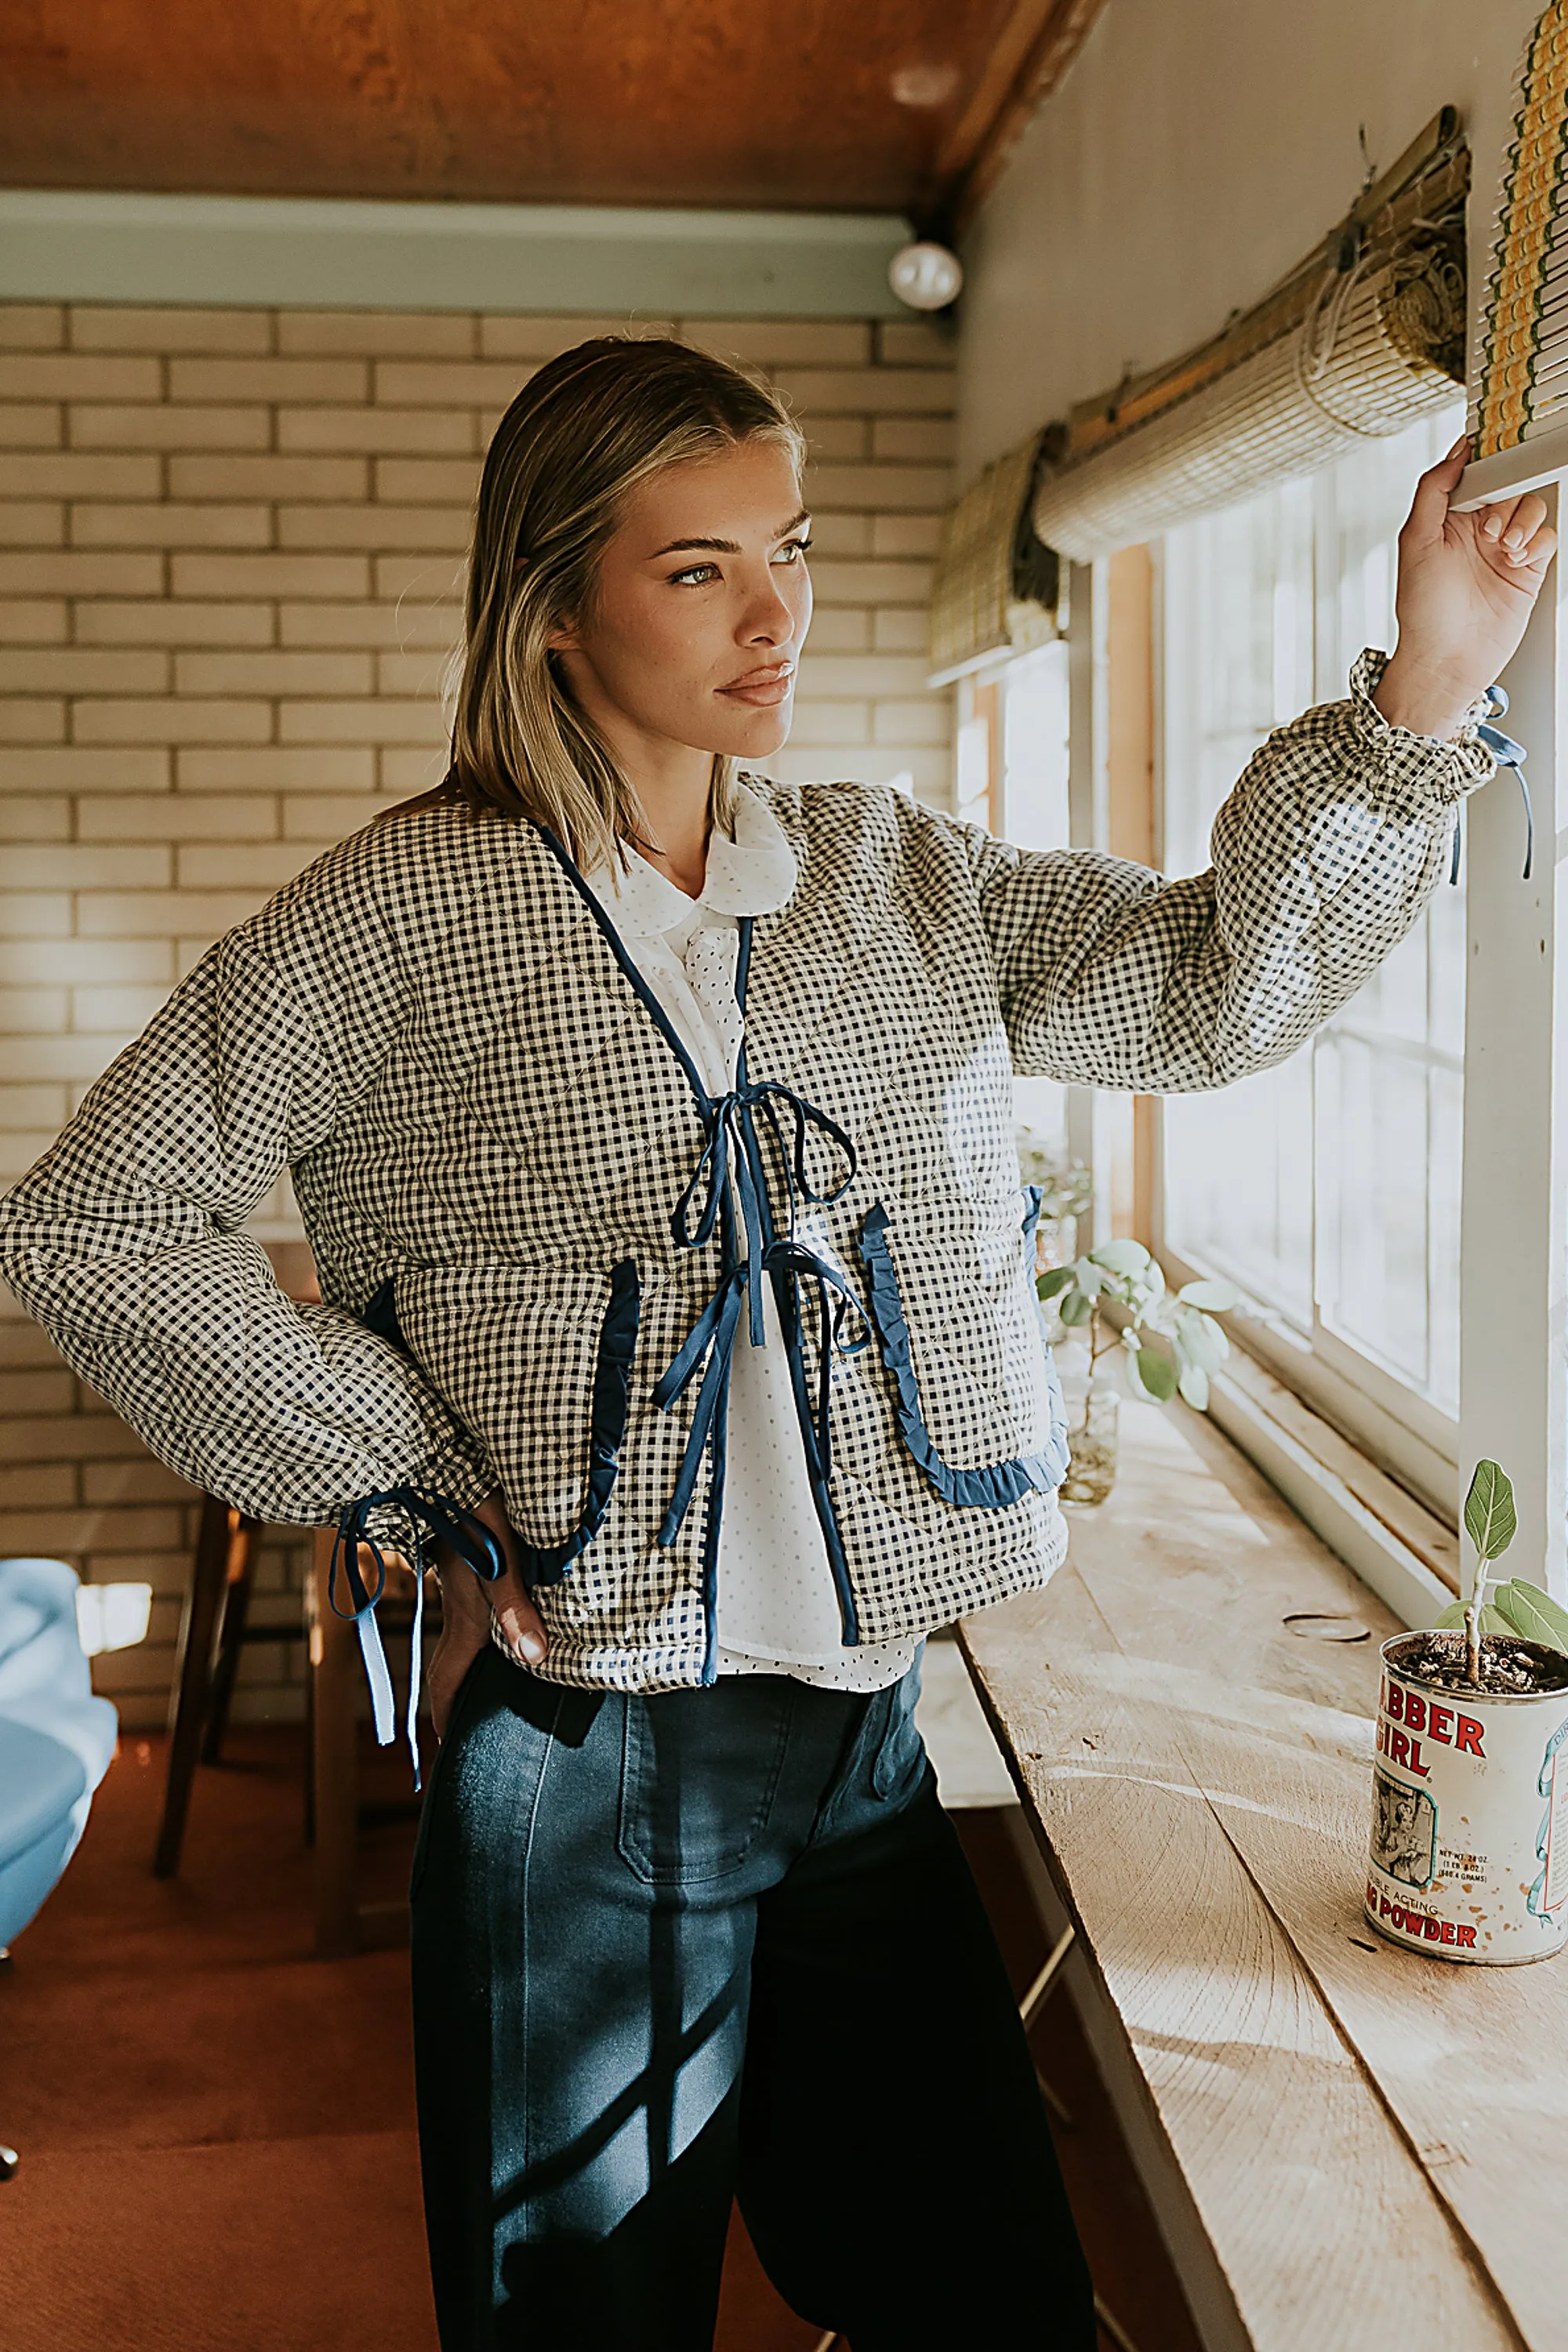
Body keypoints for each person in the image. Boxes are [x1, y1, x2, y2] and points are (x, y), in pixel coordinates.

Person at [0, 336, 1552, 2352]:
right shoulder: (391, 918)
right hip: (582, 1768)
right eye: (700, 569)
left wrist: (1420, 693)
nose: (777, 612)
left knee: (980, 2287)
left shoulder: (888, 872)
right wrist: (423, 1478)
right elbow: (93, 1219)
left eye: (792, 550)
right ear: (556, 608)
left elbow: (1195, 995)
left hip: (861, 1743)